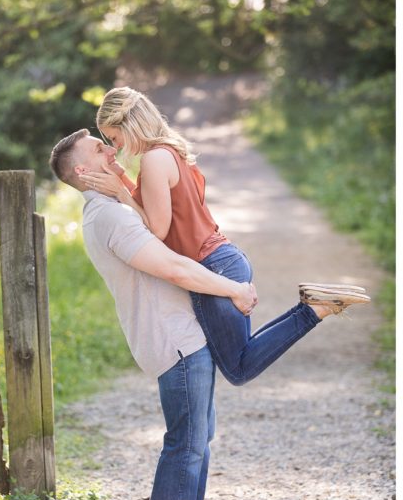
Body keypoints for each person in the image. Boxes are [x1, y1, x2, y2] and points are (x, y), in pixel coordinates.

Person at [52, 129, 268, 500]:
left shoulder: (114, 209)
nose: (111, 150)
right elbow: (171, 265)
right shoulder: (107, 218)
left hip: (184, 335)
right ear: (82, 170)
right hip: (174, 340)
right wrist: (233, 290)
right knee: (185, 442)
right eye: (100, 148)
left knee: (198, 440)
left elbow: (166, 237)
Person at [82, 86, 369, 386]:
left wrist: (119, 194)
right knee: (241, 355)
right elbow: (153, 203)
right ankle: (313, 305)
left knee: (239, 368)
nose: (115, 147)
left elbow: (157, 231)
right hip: (222, 259)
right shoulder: (169, 151)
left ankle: (314, 309)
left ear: (129, 124)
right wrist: (120, 181)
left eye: (114, 138)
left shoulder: (153, 160)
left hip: (211, 266)